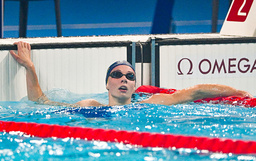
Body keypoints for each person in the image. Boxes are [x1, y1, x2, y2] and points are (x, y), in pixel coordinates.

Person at [10, 41, 253, 107]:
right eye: (116, 74)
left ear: (136, 86)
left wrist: (239, 92)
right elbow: (40, 103)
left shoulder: (153, 102)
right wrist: (30, 68)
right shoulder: (91, 105)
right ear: (107, 83)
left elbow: (197, 91)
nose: (124, 79)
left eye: (129, 76)